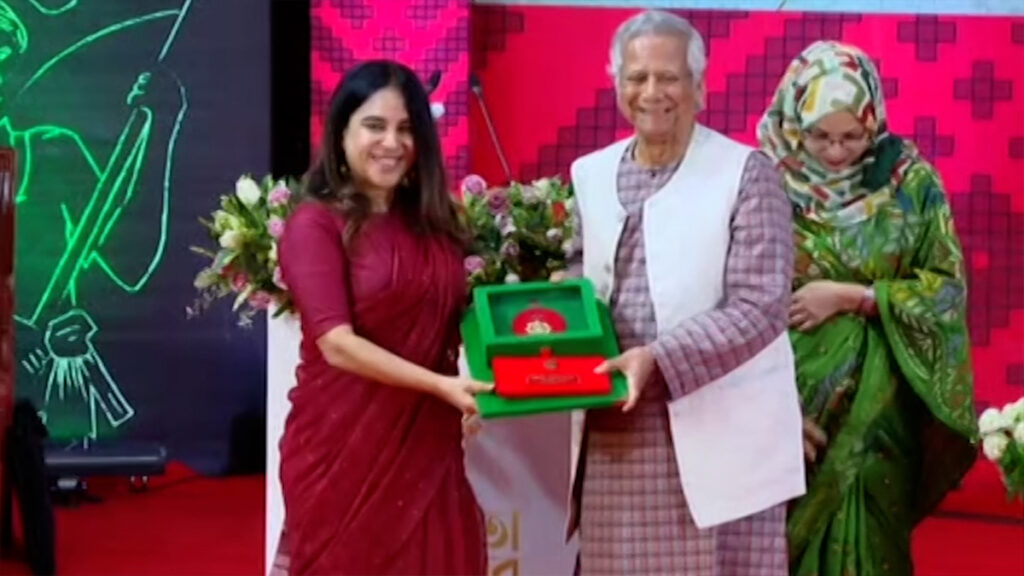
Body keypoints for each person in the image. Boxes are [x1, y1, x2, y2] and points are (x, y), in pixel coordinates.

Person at [559, 10, 805, 575]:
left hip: (721, 428)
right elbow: (579, 272)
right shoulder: (590, 174)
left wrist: (658, 358)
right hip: (616, 422)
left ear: (700, 85)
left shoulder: (747, 172)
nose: (652, 92)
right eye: (637, 77)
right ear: (617, 84)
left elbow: (761, 305)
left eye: (668, 77)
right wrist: (553, 314)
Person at [756, 40, 979, 575]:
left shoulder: (912, 184)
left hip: (883, 411)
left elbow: (947, 290)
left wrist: (854, 297)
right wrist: (762, 406)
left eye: (852, 137)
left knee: (873, 543)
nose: (836, 153)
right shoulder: (761, 182)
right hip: (791, 396)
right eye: (820, 137)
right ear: (795, 123)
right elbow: (733, 298)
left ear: (874, 121)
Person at [272, 60, 490, 576]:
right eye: (374, 125)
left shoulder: (437, 224)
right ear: (341, 133)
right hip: (340, 450)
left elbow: (452, 323)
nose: (392, 143)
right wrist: (441, 386)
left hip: (429, 445)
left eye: (406, 128)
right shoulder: (314, 224)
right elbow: (336, 343)